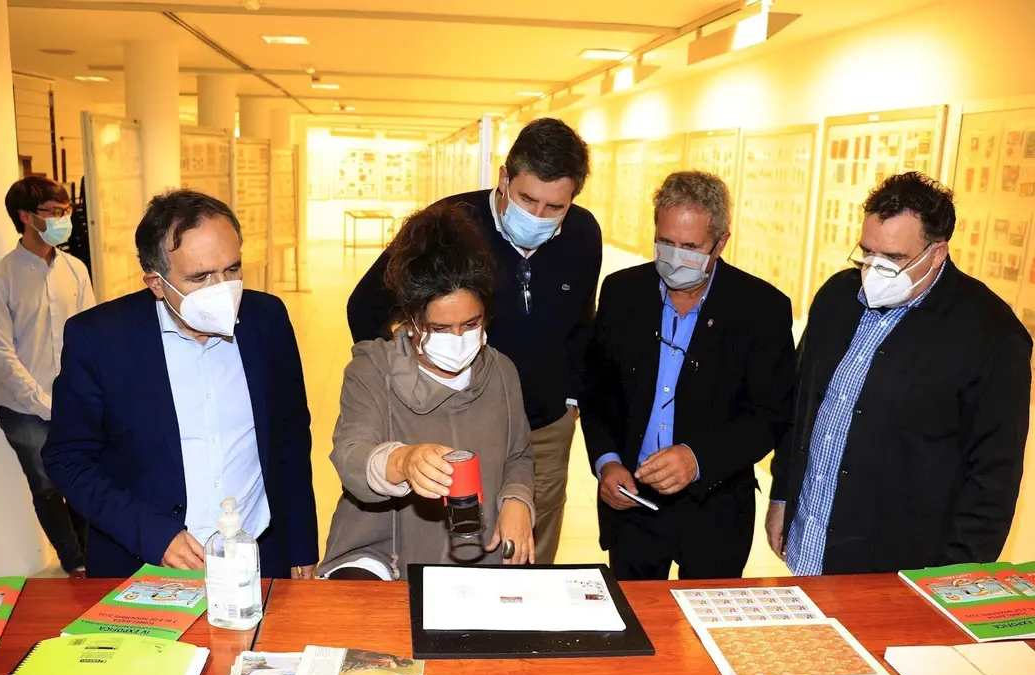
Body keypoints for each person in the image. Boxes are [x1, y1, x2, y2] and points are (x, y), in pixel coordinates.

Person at [346, 118, 599, 564]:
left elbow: (582, 322)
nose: (538, 217)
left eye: (554, 207)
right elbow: (365, 306)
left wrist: (572, 396)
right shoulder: (450, 224)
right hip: (451, 421)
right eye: (527, 199)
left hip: (543, 425)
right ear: (504, 178)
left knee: (529, 545)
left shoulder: (582, 235)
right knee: (451, 542)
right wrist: (401, 384)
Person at [43, 189, 318, 579]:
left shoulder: (267, 319)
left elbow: (290, 436)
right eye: (201, 277)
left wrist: (302, 544)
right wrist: (155, 535)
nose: (223, 289)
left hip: (258, 553)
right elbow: (68, 459)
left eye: (233, 269)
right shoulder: (100, 339)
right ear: (156, 283)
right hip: (144, 563)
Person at [768, 172, 1032, 575]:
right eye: (867, 253)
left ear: (937, 252)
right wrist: (782, 498)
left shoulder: (992, 335)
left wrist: (951, 581)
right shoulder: (836, 298)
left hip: (898, 568)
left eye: (892, 259)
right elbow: (801, 408)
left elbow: (993, 478)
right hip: (810, 542)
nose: (874, 270)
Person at [581, 171, 795, 581]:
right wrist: (607, 462)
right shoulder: (622, 292)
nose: (675, 258)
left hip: (713, 508)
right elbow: (597, 390)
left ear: (721, 243)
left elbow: (770, 415)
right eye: (665, 243)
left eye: (691, 247)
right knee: (637, 622)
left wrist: (697, 458)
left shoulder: (761, 308)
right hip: (632, 504)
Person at [319, 204, 535, 580]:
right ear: (413, 321)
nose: (458, 339)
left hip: (475, 555)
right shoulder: (373, 369)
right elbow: (351, 455)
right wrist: (403, 462)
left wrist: (517, 499)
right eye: (440, 327)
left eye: (470, 323)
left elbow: (518, 454)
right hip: (382, 555)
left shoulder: (500, 372)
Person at [0, 177, 95, 577]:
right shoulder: (0, 279)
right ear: (26, 217)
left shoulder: (76, 270)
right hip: (23, 409)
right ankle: (74, 562)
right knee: (46, 486)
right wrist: (42, 402)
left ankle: (92, 557)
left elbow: (90, 334)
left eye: (66, 211)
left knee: (82, 478)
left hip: (74, 400)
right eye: (53, 212)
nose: (63, 219)